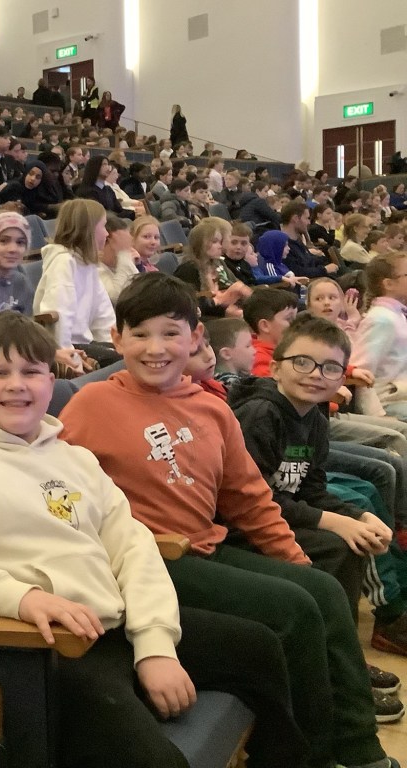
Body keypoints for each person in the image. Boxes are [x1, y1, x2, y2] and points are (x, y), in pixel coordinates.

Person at [0, 311, 307, 768]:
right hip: (50, 649)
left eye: (31, 372)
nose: (16, 385)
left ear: (50, 382)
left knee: (259, 649)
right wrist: (25, 599)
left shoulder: (72, 457)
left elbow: (133, 547)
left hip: (115, 623)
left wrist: (155, 646)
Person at [58, 273, 399, 768]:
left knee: (320, 590)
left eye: (171, 333)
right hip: (152, 559)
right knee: (296, 609)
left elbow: (249, 498)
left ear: (195, 337)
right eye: (141, 334)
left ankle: (358, 746)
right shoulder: (92, 405)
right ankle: (316, 757)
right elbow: (54, 490)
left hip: (206, 547)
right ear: (117, 338)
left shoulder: (211, 409)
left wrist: (293, 559)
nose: (156, 348)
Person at [231, 314, 391, 611]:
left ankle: (337, 634)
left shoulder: (315, 420)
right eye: (302, 362)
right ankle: (336, 635)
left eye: (330, 368)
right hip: (241, 527)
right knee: (338, 547)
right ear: (276, 369)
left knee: (355, 537)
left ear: (341, 379)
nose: (316, 374)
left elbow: (312, 491)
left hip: (279, 516)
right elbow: (248, 501)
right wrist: (335, 521)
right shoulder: (260, 414)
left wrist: (358, 516)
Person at [34, 199, 119, 372]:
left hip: (86, 343)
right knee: (121, 362)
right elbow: (59, 317)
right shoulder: (63, 262)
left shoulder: (88, 264)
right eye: (103, 226)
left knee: (130, 354)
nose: (107, 233)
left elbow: (103, 315)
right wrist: (70, 359)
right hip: (69, 347)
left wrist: (115, 342)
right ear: (88, 229)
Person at [352, 253, 407, 422]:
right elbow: (361, 373)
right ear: (388, 284)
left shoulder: (396, 314)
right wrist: (379, 418)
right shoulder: (380, 319)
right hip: (389, 403)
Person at [173, 218, 249, 318]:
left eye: (220, 241)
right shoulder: (189, 269)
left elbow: (224, 292)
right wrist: (223, 303)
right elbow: (190, 306)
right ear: (200, 243)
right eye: (215, 242)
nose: (220, 246)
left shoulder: (215, 263)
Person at [97, 216, 139, 303]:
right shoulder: (95, 268)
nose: (129, 250)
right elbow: (116, 298)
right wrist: (124, 256)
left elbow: (140, 291)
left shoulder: (119, 266)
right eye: (122, 245)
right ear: (107, 241)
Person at [205, 316, 255, 390]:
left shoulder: (244, 377)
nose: (254, 351)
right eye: (247, 346)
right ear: (226, 354)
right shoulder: (231, 385)